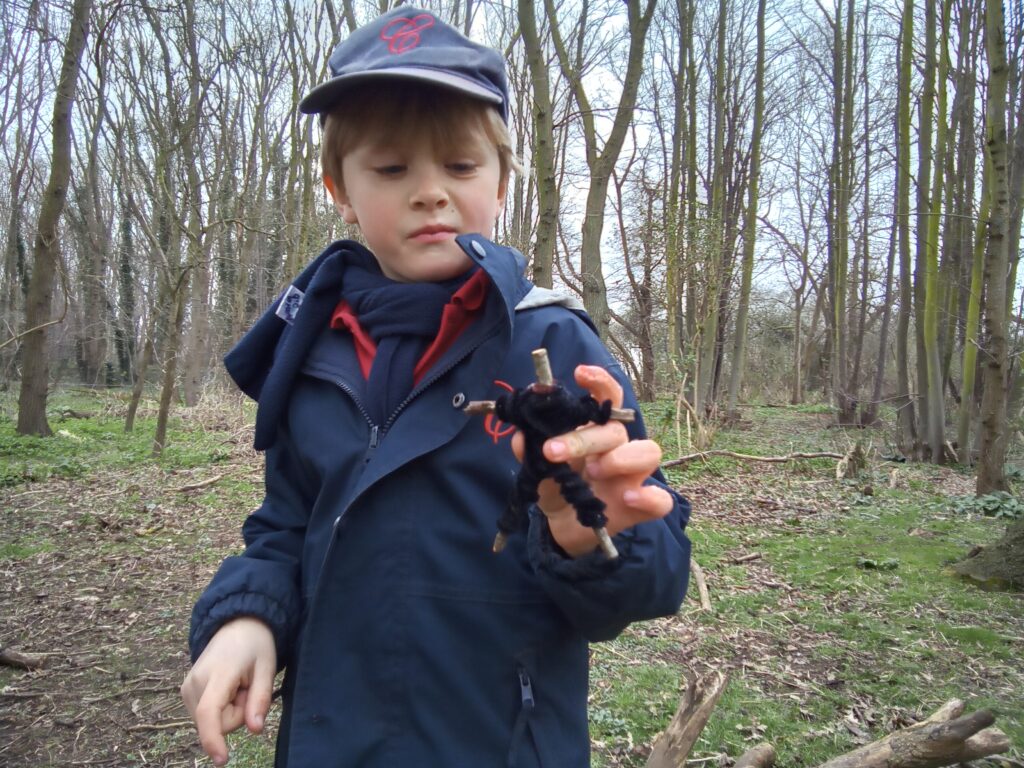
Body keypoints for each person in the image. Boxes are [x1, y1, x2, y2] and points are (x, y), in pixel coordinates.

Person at [180, 7, 691, 767]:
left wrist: (592, 535)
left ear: (502, 181)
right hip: (332, 742)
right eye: (391, 170)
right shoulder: (312, 352)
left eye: (459, 166)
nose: (430, 193)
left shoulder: (555, 345)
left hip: (500, 743)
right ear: (340, 190)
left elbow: (651, 578)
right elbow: (287, 524)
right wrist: (247, 616)